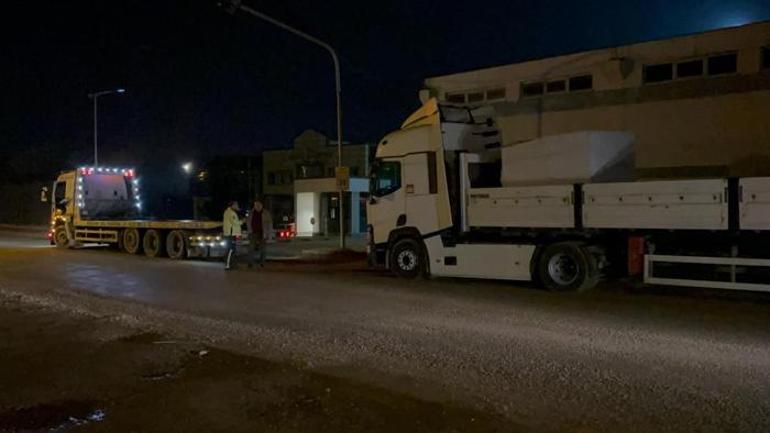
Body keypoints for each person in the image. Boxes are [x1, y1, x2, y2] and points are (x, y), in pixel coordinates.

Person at [246, 198, 272, 267]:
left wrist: (269, 234)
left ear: (261, 205)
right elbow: (248, 222)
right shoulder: (251, 213)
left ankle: (262, 262)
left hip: (263, 233)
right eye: (255, 205)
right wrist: (249, 231)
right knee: (251, 248)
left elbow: (270, 224)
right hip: (253, 233)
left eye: (258, 205)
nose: (257, 206)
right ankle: (250, 263)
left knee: (263, 249)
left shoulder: (266, 213)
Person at [222, 200, 242, 270]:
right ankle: (228, 265)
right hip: (231, 234)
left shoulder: (227, 211)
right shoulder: (231, 213)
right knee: (231, 249)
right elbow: (235, 222)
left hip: (229, 233)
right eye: (236, 205)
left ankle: (231, 264)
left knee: (231, 249)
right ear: (233, 205)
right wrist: (242, 221)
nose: (237, 206)